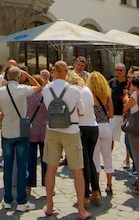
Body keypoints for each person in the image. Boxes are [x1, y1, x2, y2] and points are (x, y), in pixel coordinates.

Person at [0, 66, 42, 211]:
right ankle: (22, 201)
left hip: (7, 133)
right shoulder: (22, 89)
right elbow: (38, 87)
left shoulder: (1, 91)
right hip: (21, 132)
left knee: (8, 168)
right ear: (18, 77)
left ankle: (7, 199)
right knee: (22, 167)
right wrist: (27, 74)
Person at [43, 60, 90, 219]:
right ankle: (81, 210)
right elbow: (81, 112)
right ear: (66, 72)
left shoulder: (46, 89)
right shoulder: (74, 90)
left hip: (52, 130)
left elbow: (46, 109)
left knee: (51, 168)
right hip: (71, 130)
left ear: (54, 71)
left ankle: (49, 206)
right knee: (77, 169)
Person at [68, 71, 100, 206]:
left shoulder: (73, 91)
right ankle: (96, 191)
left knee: (83, 163)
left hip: (81, 127)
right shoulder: (87, 90)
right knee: (90, 160)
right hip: (93, 126)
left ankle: (85, 195)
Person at [88, 71, 114, 196]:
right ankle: (109, 184)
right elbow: (112, 114)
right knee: (107, 156)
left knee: (95, 157)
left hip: (95, 126)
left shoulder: (90, 95)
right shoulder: (107, 95)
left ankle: (96, 185)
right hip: (106, 126)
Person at [26, 73, 48, 197]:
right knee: (46, 160)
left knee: (30, 160)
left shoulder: (28, 97)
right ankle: (47, 185)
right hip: (44, 130)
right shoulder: (46, 96)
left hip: (31, 130)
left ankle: (29, 186)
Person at [108, 63, 130, 172]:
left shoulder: (129, 83)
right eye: (116, 70)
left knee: (128, 138)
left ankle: (127, 159)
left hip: (126, 114)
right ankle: (108, 159)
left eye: (120, 70)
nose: (118, 72)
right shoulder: (112, 82)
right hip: (115, 113)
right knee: (110, 137)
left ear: (124, 72)